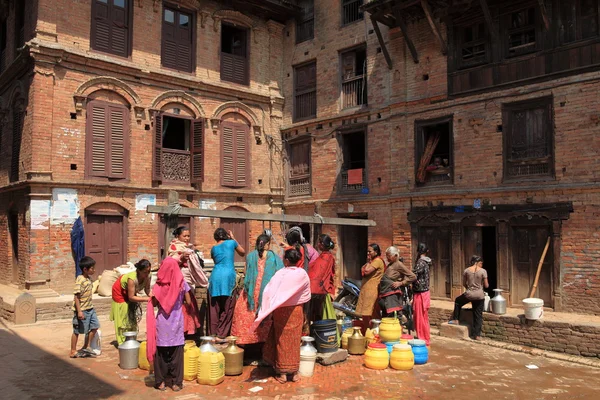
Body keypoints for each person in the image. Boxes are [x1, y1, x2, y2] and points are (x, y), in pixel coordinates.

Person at [252, 248, 311, 384]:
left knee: (281, 340)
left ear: (286, 260)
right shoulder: (302, 273)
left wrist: (265, 309)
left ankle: (283, 373)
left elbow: (269, 291)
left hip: (281, 311)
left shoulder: (280, 274)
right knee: (295, 341)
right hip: (297, 311)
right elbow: (306, 294)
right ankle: (294, 372)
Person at [146, 242, 192, 392]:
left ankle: (160, 382)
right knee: (176, 353)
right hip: (177, 322)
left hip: (162, 323)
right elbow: (189, 301)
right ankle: (176, 383)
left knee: (161, 353)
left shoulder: (158, 286)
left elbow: (153, 302)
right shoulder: (181, 283)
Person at [231, 234, 284, 354]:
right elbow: (280, 273)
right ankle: (263, 348)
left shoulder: (250, 256)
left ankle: (245, 346)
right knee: (264, 317)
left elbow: (245, 272)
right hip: (266, 292)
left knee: (245, 315)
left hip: (250, 293)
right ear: (267, 244)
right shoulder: (274, 257)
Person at [208, 227, 245, 338]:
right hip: (228, 277)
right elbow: (242, 252)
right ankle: (222, 334)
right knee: (228, 307)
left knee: (214, 308)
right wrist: (233, 238)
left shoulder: (213, 248)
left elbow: (216, 261)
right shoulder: (231, 243)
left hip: (215, 277)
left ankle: (213, 334)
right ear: (226, 235)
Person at [169, 226, 203, 337]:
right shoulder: (174, 247)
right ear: (178, 236)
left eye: (188, 236)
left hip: (189, 279)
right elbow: (171, 263)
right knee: (183, 302)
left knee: (190, 301)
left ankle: (189, 331)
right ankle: (180, 329)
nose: (187, 238)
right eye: (184, 236)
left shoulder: (189, 247)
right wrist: (182, 257)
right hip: (179, 278)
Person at [110, 259, 152, 345]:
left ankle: (131, 339)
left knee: (131, 317)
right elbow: (131, 297)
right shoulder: (132, 279)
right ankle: (122, 342)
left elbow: (147, 290)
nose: (147, 274)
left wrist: (153, 297)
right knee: (123, 317)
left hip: (131, 293)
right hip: (120, 293)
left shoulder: (148, 275)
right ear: (138, 271)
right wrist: (146, 299)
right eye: (145, 272)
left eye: (149, 271)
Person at [449, 255, 489, 340]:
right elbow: (486, 285)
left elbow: (464, 283)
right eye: (481, 263)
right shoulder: (483, 271)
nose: (482, 265)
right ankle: (477, 335)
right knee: (478, 315)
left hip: (469, 294)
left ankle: (456, 319)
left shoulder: (466, 270)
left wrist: (469, 288)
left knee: (458, 301)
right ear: (478, 262)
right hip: (479, 296)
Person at [70, 256, 100, 358]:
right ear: (85, 269)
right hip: (82, 310)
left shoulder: (89, 279)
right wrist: (79, 311)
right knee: (77, 331)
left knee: (94, 327)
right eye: (92, 268)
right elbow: (76, 296)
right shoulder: (80, 279)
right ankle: (73, 350)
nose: (94, 270)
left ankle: (86, 346)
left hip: (90, 308)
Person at [355, 243, 385, 334]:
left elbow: (367, 271)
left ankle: (371, 332)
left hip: (372, 290)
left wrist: (368, 262)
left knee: (369, 312)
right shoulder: (373, 261)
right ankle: (368, 331)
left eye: (370, 251)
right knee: (367, 313)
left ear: (376, 252)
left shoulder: (377, 261)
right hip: (366, 290)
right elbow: (363, 270)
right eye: (367, 251)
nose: (368, 253)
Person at [378, 246, 416, 317]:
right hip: (385, 293)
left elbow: (413, 276)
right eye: (386, 256)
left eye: (389, 256)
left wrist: (401, 283)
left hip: (392, 295)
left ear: (395, 255)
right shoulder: (390, 264)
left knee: (392, 316)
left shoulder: (399, 264)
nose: (387, 258)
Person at [306, 234, 336, 323]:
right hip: (320, 290)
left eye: (319, 242)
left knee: (320, 316)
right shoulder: (324, 256)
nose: (317, 244)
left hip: (320, 291)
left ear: (322, 244)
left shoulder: (326, 257)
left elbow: (318, 273)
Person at [413, 243, 432, 347]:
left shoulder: (420, 262)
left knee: (420, 317)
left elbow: (414, 276)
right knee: (423, 316)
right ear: (427, 251)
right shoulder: (427, 261)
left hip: (420, 293)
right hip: (425, 292)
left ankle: (423, 337)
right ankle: (424, 336)